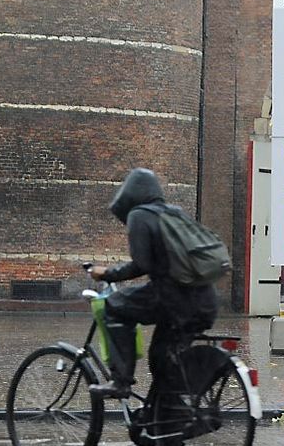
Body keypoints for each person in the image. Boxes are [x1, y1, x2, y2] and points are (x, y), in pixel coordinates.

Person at [88, 168, 218, 399]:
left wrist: (107, 274)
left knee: (113, 306)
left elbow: (141, 264)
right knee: (161, 357)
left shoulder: (139, 215)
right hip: (205, 301)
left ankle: (120, 382)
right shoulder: (175, 213)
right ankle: (166, 420)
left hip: (172, 297)